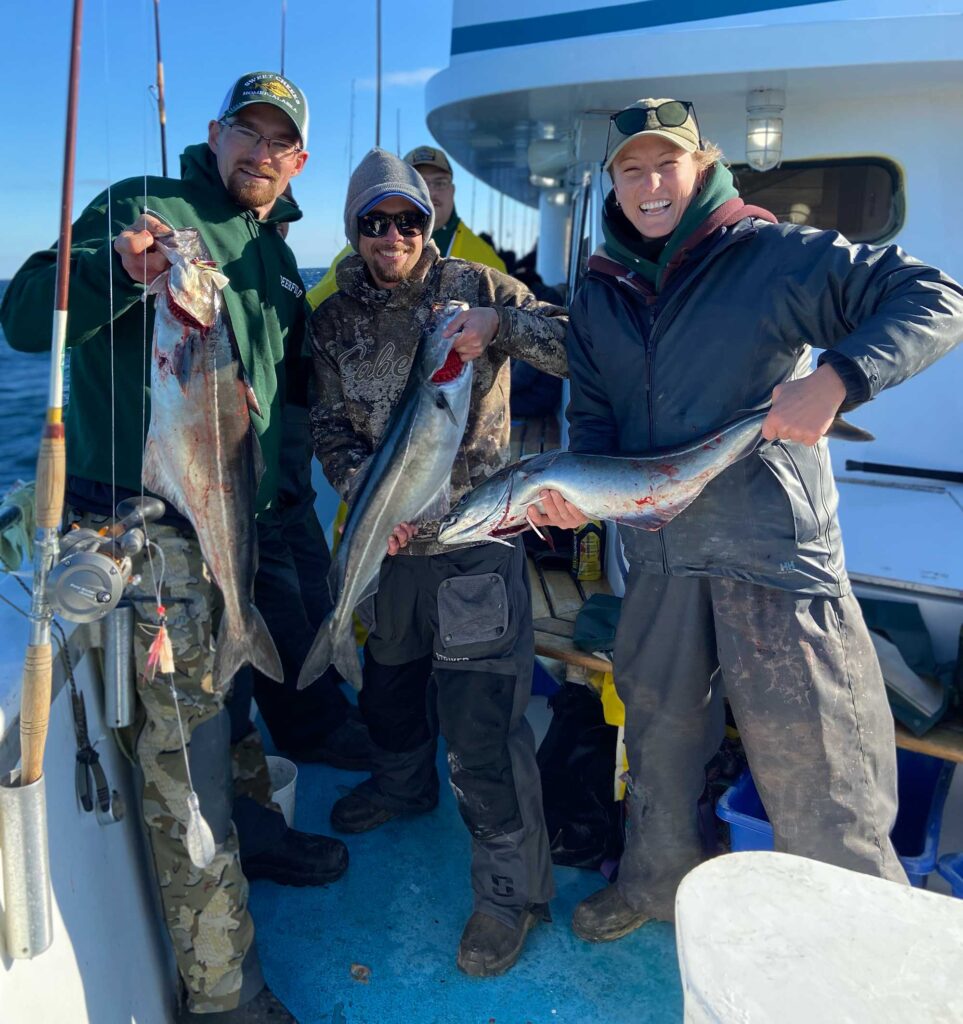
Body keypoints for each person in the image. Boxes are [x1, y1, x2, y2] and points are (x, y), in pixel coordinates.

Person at [528, 97, 963, 940]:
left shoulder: (769, 254)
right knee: (655, 736)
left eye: (666, 164)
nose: (650, 184)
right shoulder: (598, 292)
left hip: (774, 553)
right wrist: (575, 493)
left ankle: (857, 937)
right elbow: (592, 427)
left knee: (822, 761)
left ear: (701, 167)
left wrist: (837, 379)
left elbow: (934, 297)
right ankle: (655, 887)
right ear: (612, 184)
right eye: (631, 170)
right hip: (658, 553)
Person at [1, 71, 348, 1023]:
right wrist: (125, 268)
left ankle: (259, 830)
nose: (260, 153)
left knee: (234, 701)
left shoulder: (275, 257)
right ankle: (222, 992)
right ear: (215, 133)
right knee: (183, 762)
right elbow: (26, 317)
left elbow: (295, 390)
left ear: (297, 162)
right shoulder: (143, 208)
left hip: (251, 522)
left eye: (279, 142)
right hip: (151, 536)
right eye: (247, 132)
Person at [308, 147, 567, 977]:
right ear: (354, 226)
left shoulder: (479, 290)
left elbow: (570, 347)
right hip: (388, 547)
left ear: (428, 222)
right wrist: (364, 492)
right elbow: (326, 430)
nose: (393, 234)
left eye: (408, 218)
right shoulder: (332, 318)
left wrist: (501, 329)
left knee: (481, 726)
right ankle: (401, 786)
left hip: (472, 545)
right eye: (375, 220)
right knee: (385, 690)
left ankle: (507, 893)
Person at [306, 144, 505, 310]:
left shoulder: (487, 262)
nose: (432, 192)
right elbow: (309, 308)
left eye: (440, 183)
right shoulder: (354, 257)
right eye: (421, 182)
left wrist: (497, 323)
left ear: (452, 190)